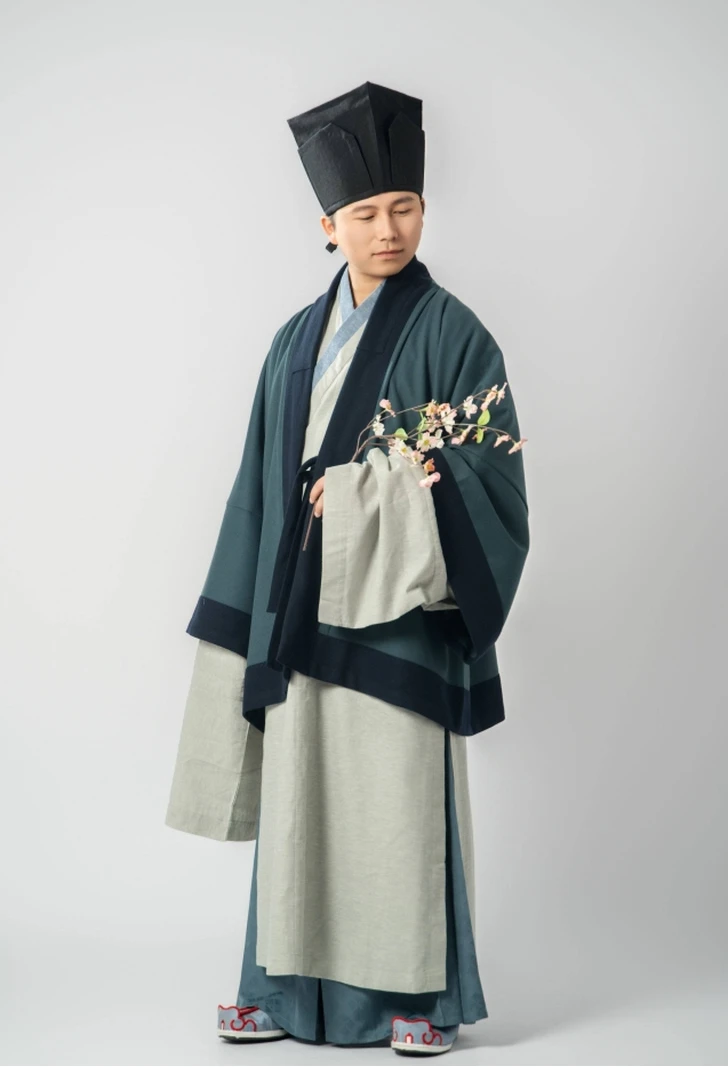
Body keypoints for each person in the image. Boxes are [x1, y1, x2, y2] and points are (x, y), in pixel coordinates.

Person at [164, 80, 530, 1056]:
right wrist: (243, 617)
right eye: (365, 213)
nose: (387, 229)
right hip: (301, 613)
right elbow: (256, 489)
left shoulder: (456, 334)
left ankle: (419, 999)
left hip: (402, 615)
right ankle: (282, 994)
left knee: (393, 811)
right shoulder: (293, 343)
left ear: (423, 210)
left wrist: (374, 493)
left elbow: (490, 480)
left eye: (403, 207)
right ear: (327, 225)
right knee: (302, 810)